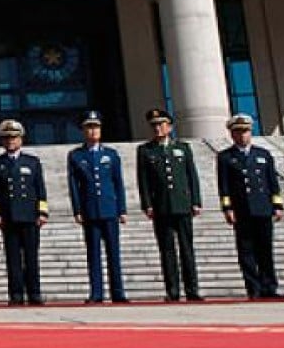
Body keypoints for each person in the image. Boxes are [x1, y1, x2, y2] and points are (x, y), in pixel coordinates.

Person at [136, 108, 204, 302]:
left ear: (170, 126)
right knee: (167, 250)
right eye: (154, 125)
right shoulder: (146, 150)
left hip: (182, 204)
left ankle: (192, 289)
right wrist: (147, 204)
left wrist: (196, 201)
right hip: (161, 206)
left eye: (162, 124)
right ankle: (172, 290)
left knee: (186, 249)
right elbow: (143, 180)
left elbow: (192, 176)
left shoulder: (182, 147)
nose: (158, 128)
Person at [216, 113, 284, 300]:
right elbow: (224, 186)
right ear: (232, 134)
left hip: (262, 208)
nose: (242, 135)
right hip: (241, 210)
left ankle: (269, 287)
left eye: (245, 131)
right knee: (246, 251)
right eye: (238, 132)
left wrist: (277, 205)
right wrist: (227, 209)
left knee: (265, 250)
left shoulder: (263, 154)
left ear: (250, 132)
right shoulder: (225, 157)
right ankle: (253, 288)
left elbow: (272, 182)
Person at [67, 110, 128, 304]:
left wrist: (122, 209)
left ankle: (118, 292)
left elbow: (118, 183)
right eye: (89, 127)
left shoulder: (111, 154)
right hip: (90, 210)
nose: (93, 131)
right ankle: (97, 292)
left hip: (109, 208)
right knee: (93, 253)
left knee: (114, 253)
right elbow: (74, 186)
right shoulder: (76, 156)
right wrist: (77, 209)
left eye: (96, 127)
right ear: (83, 130)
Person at [0, 119, 48, 305]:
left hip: (29, 216)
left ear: (21, 139)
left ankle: (34, 293)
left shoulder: (32, 162)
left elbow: (40, 188)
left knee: (31, 257)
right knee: (13, 259)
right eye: (6, 138)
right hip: (9, 217)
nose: (10, 141)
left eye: (14, 137)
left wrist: (42, 212)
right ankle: (16, 294)